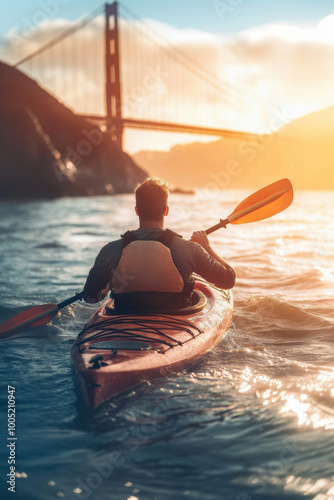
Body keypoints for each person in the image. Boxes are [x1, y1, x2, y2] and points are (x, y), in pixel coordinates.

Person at [83, 177, 235, 310]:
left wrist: (110, 282)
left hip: (123, 320)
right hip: (175, 323)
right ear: (166, 210)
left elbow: (90, 297)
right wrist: (206, 247)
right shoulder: (190, 250)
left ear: (137, 210)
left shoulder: (110, 251)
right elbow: (228, 280)